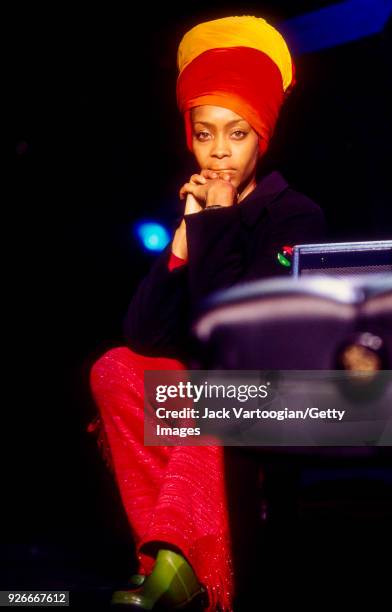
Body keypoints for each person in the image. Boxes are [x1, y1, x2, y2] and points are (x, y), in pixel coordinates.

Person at [88, 15, 327, 611]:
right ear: (189, 137)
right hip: (206, 394)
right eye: (204, 133)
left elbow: (233, 337)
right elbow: (145, 336)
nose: (219, 151)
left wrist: (214, 224)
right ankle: (174, 567)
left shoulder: (295, 216)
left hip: (280, 397)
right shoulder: (197, 211)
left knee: (215, 387)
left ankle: (181, 567)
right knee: (114, 368)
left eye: (237, 133)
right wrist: (181, 245)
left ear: (262, 137)